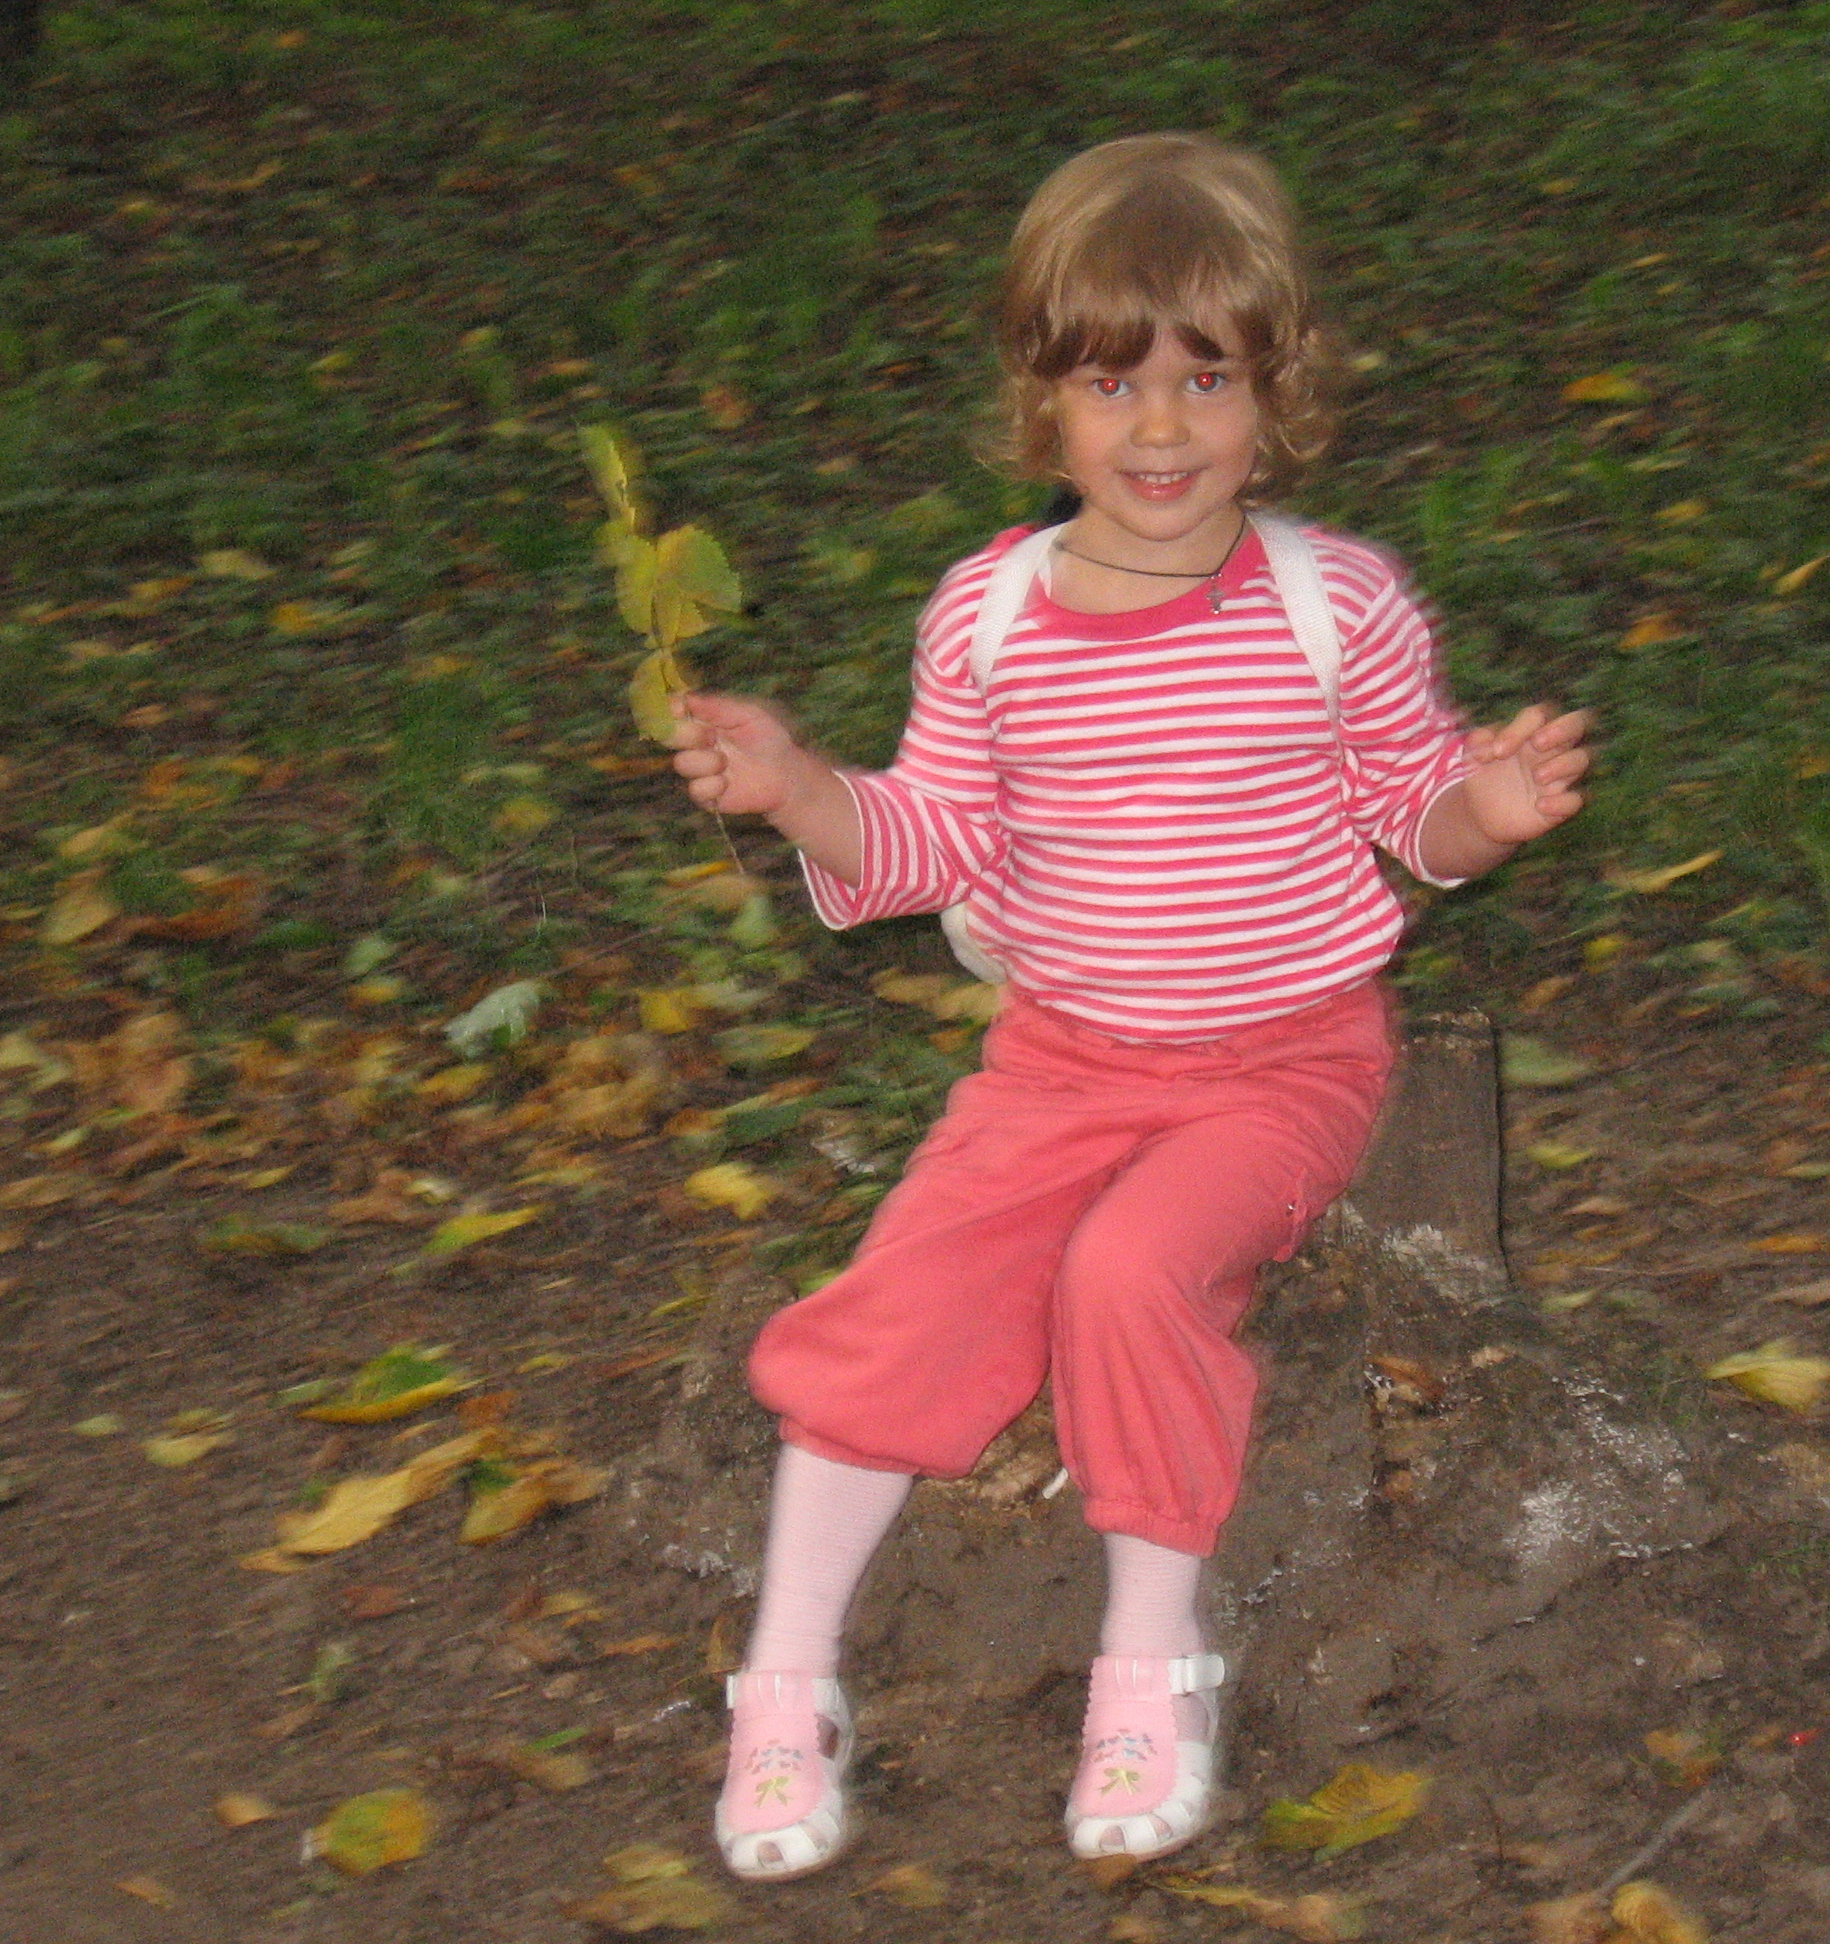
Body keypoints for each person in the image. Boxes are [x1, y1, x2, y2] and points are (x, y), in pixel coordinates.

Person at [668, 131, 1590, 1881]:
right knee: (903, 1293)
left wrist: (1488, 807)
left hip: (1282, 1064)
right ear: (1045, 401)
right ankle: (785, 1682)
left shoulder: (1335, 604)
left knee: (1130, 1273)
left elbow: (1414, 815)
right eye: (1113, 383)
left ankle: (1151, 1662)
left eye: (1207, 379)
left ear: (1276, 389)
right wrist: (797, 789)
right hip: (1060, 1059)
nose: (1162, 428)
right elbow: (931, 839)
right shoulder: (990, 616)